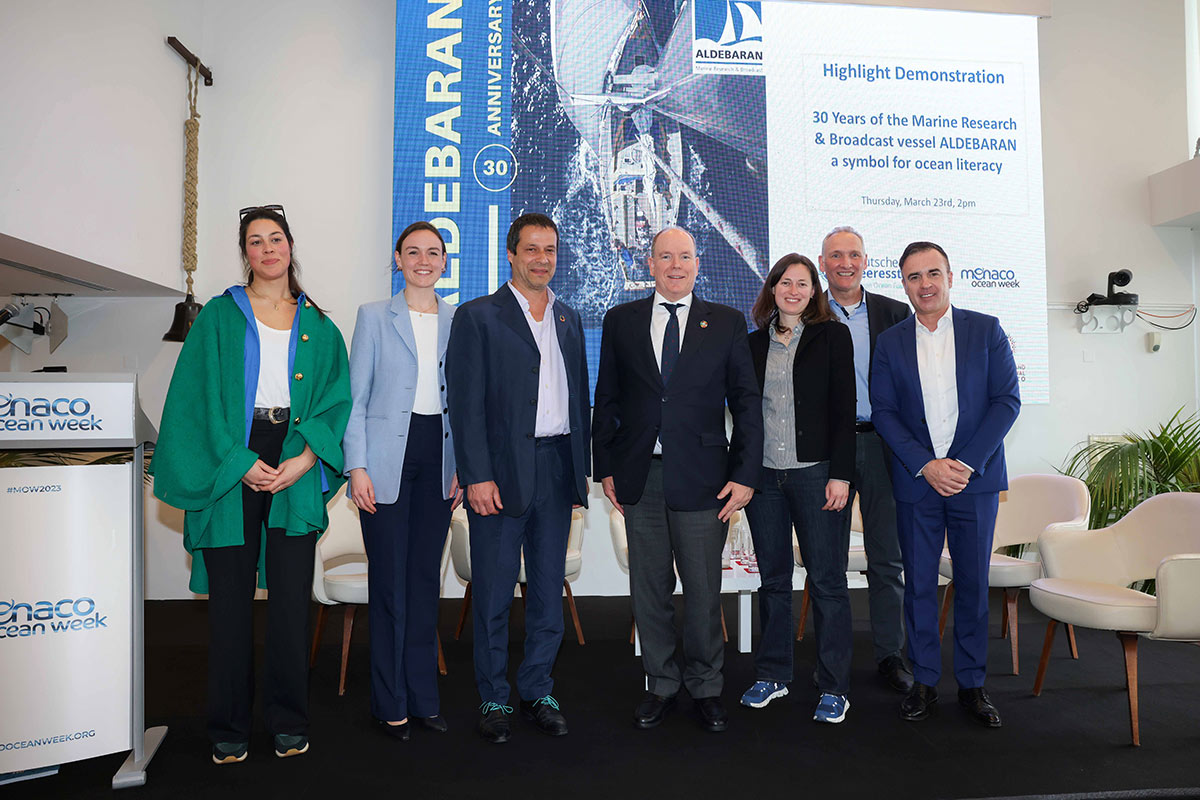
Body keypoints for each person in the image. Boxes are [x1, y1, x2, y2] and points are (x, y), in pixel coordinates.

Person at [151, 205, 350, 764]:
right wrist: (237, 459)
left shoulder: (319, 323)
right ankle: (229, 728)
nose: (268, 249)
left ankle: (289, 721)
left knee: (291, 601)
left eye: (276, 238)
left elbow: (338, 400)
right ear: (245, 254)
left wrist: (309, 455)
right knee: (231, 604)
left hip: (294, 456)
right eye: (256, 241)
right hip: (230, 461)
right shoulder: (218, 316)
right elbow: (197, 397)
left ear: (291, 247)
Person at [592, 227, 762, 733]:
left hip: (706, 480)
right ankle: (661, 685)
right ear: (650, 263)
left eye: (684, 256)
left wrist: (746, 475)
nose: (675, 265)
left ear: (696, 262)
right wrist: (604, 468)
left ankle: (707, 687)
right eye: (665, 256)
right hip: (639, 478)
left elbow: (747, 404)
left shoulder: (727, 322)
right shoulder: (620, 320)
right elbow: (608, 398)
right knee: (649, 591)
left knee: (705, 592)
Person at [445, 212, 590, 744]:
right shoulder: (478, 316)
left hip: (556, 469)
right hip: (500, 477)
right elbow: (465, 406)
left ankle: (538, 689)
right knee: (493, 592)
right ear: (511, 253)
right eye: (531, 249)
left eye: (550, 249)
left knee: (549, 592)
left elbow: (579, 402)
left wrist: (581, 473)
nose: (542, 259)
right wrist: (476, 475)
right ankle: (493, 697)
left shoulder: (569, 318)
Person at [869, 241, 1020, 728]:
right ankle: (926, 683)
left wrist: (963, 464)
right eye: (914, 277)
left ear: (951, 277)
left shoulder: (986, 330)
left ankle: (973, 687)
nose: (925, 284)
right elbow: (885, 414)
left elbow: (1006, 402)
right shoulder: (890, 342)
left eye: (933, 273)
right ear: (905, 286)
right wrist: (926, 465)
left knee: (974, 585)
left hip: (973, 484)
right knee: (918, 586)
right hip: (918, 483)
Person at [342, 221, 463, 741]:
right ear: (398, 258)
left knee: (423, 584)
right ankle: (389, 702)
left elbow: (464, 401)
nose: (422, 260)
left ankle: (423, 698)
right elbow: (356, 399)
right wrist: (357, 467)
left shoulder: (460, 320)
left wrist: (465, 467)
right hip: (386, 462)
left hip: (439, 459)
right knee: (390, 585)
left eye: (432, 253)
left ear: (443, 262)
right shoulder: (373, 317)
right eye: (412, 252)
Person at [739, 254, 855, 723]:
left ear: (814, 291)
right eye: (785, 282)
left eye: (802, 283)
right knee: (773, 581)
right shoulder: (751, 346)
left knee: (827, 583)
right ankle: (773, 675)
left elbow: (844, 409)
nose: (793, 290)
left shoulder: (832, 336)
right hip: (765, 478)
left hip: (816, 474)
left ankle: (834, 687)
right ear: (772, 289)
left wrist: (841, 474)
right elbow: (745, 418)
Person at [818, 226, 915, 694]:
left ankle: (889, 654)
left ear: (865, 260)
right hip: (825, 449)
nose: (845, 262)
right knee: (828, 560)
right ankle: (830, 658)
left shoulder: (896, 314)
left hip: (883, 445)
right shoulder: (806, 313)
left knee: (886, 557)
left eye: (853, 254)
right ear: (823, 263)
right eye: (836, 255)